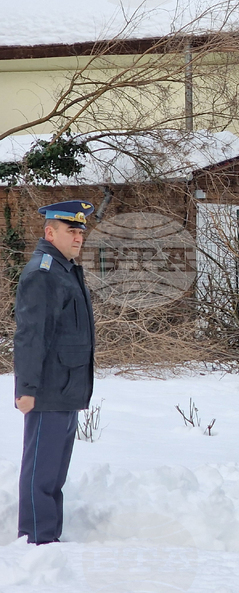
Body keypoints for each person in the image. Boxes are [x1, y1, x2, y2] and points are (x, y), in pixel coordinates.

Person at [14, 200, 96, 545]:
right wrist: (26, 388)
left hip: (66, 388)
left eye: (80, 232)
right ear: (50, 233)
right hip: (47, 389)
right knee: (41, 472)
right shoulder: (43, 273)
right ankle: (36, 540)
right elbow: (31, 335)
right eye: (71, 231)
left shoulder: (65, 270)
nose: (78, 237)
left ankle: (49, 538)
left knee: (54, 474)